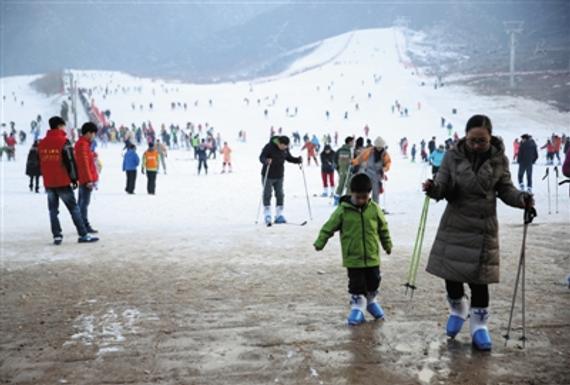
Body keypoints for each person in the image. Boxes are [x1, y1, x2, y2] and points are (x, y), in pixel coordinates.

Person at [422, 114, 534, 351]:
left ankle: (479, 326)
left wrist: (521, 199)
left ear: (490, 138)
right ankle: (458, 309)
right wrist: (433, 188)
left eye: (481, 141)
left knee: (479, 281)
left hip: (483, 228)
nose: (476, 145)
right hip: (455, 224)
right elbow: (443, 185)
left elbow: (506, 189)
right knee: (451, 274)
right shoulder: (452, 156)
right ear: (465, 136)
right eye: (472, 140)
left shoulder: (499, 160)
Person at [313, 173, 392, 325]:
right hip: (353, 257)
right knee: (357, 283)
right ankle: (358, 305)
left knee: (374, 280)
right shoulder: (343, 210)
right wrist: (320, 241)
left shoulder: (374, 209)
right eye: (358, 197)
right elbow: (329, 226)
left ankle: (371, 301)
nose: (361, 200)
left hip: (372, 256)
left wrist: (387, 244)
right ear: (351, 193)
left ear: (369, 194)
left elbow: (383, 229)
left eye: (365, 197)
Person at [38, 116, 98, 245]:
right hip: (62, 181)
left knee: (53, 210)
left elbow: (41, 162)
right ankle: (83, 234)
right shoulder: (64, 142)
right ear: (60, 126)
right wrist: (74, 179)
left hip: (49, 182)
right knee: (74, 208)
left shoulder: (42, 143)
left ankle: (57, 235)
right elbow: (70, 162)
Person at [259, 135, 302, 225]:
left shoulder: (285, 149)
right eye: (284, 146)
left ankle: (279, 215)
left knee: (280, 194)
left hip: (279, 175)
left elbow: (288, 158)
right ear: (279, 143)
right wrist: (266, 161)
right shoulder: (269, 147)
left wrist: (297, 160)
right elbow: (261, 157)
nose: (285, 148)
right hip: (268, 175)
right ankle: (267, 214)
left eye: (286, 146)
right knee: (267, 194)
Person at [74, 122, 99, 234]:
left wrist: (92, 155)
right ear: (88, 133)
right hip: (85, 179)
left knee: (82, 202)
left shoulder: (83, 144)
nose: (94, 136)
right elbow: (84, 164)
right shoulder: (83, 145)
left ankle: (82, 224)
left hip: (84, 178)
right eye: (93, 134)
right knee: (84, 203)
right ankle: (83, 225)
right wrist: (89, 180)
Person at [351, 136, 391, 204]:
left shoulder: (385, 154)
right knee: (364, 190)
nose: (379, 148)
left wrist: (384, 169)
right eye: (378, 147)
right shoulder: (369, 151)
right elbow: (361, 158)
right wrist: (353, 162)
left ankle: (375, 206)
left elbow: (388, 163)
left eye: (380, 147)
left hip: (377, 174)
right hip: (368, 172)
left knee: (376, 192)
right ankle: (363, 204)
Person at [333, 136, 354, 205]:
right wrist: (337, 167)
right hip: (342, 170)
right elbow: (335, 158)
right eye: (352, 142)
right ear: (349, 142)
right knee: (342, 184)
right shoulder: (342, 150)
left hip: (348, 170)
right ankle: (337, 199)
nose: (353, 143)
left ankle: (347, 199)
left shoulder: (351, 150)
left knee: (348, 184)